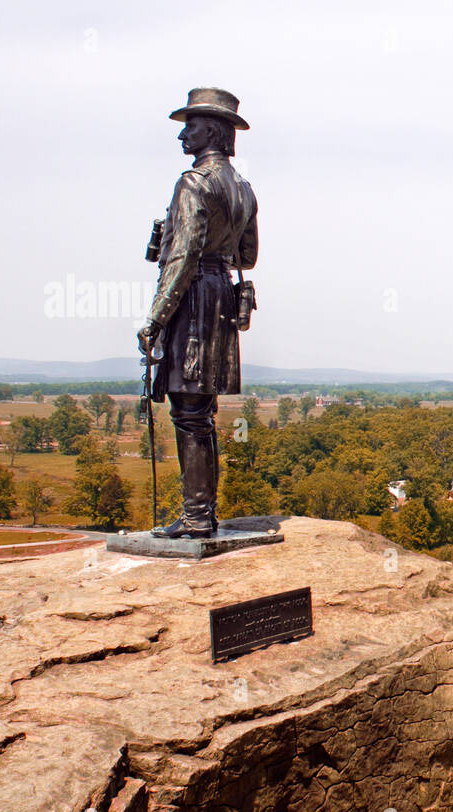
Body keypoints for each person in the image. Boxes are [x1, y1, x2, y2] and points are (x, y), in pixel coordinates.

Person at [138, 88, 258, 538]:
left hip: (192, 299)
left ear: (211, 130)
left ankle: (196, 516)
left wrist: (156, 317)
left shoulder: (194, 183)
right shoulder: (243, 189)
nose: (182, 135)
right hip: (221, 295)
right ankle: (201, 513)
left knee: (188, 413)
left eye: (189, 126)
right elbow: (248, 252)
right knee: (199, 413)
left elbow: (183, 255)